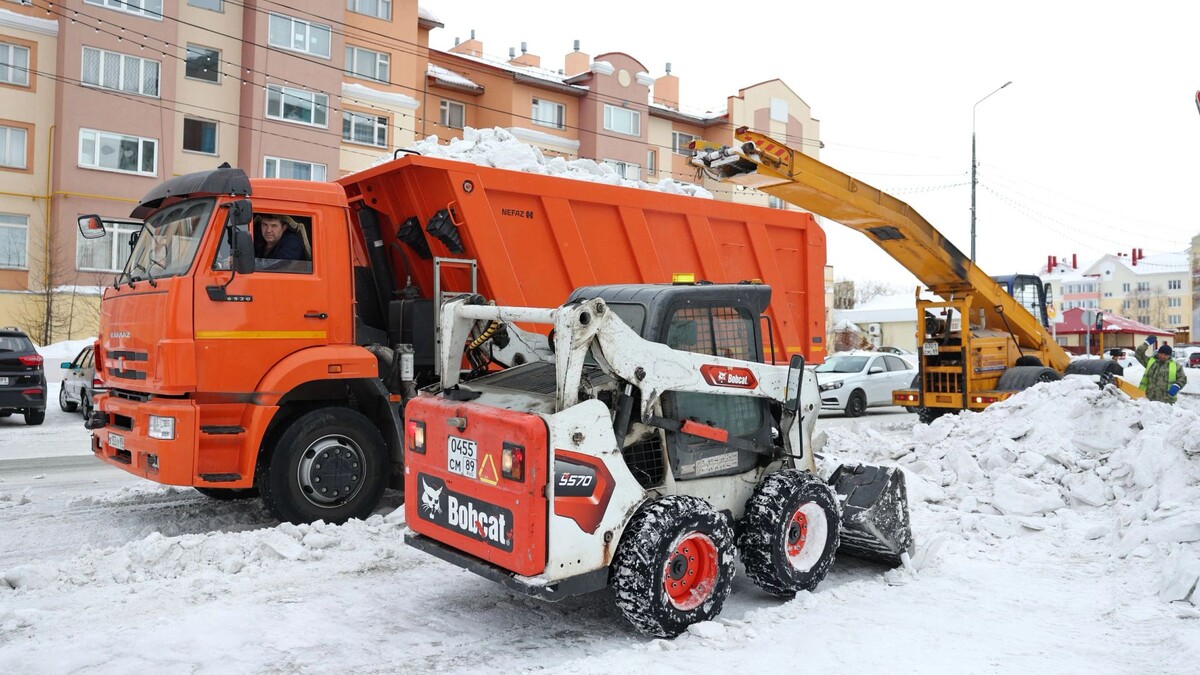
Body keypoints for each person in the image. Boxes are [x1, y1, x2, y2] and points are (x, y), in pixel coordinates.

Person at [1134, 336, 1187, 404]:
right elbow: (1138, 354)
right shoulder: (1150, 362)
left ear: (1169, 356)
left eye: (1165, 355)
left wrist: (1177, 385)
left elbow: (1182, 378)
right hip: (1148, 399)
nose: (1162, 356)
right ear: (1158, 353)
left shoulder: (1176, 366)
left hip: (1167, 401)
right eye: (1161, 353)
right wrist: (1146, 344)